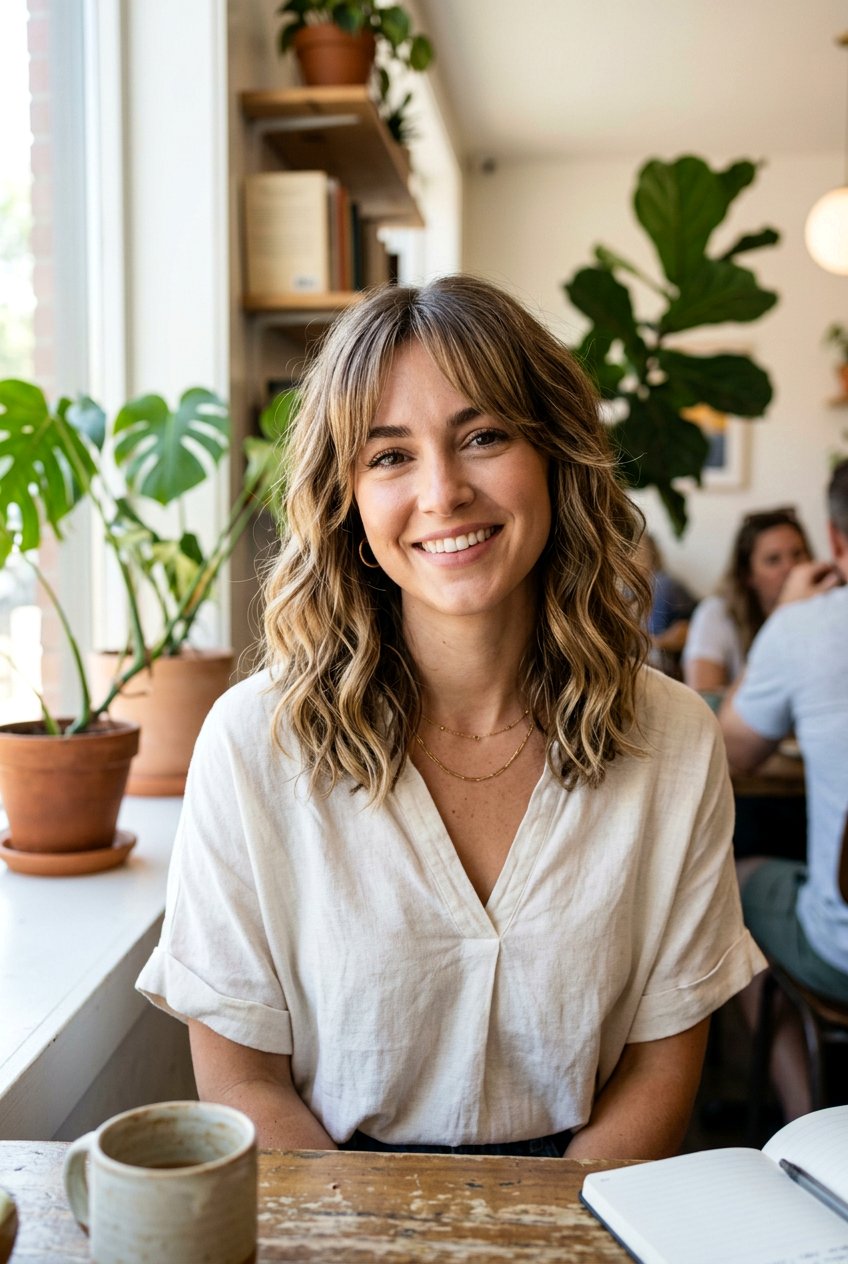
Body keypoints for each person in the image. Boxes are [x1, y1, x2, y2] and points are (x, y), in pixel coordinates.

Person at [136, 275, 764, 1160]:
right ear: (346, 497)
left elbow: (661, 1071)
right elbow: (242, 1082)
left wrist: (551, 1247)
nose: (443, 492)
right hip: (329, 1211)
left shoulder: (673, 737)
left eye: (483, 436)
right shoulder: (253, 744)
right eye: (390, 455)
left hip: (588, 1207)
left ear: (553, 455)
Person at [720, 460, 848, 1119]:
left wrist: (791, 617)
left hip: (841, 950)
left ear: (835, 539)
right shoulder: (721, 617)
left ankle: (807, 1121)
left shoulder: (806, 628)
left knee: (729, 886)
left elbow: (729, 749)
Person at [683, 508, 813, 693]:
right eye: (773, 560)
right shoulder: (717, 613)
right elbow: (706, 700)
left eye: (798, 554)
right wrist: (783, 613)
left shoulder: (827, 607)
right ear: (748, 575)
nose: (790, 568)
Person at [635, 532, 697, 677]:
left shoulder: (661, 584)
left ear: (651, 554)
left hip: (675, 667)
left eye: (637, 551)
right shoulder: (629, 592)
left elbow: (655, 641)